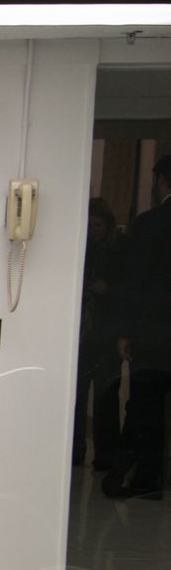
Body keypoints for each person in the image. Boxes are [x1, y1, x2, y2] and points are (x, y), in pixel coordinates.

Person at [103, 155, 171, 500]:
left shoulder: (148, 225)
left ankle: (143, 475)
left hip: (153, 330)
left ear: (161, 181)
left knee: (146, 407)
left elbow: (134, 281)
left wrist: (125, 331)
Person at [72, 197, 123, 467]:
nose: (94, 230)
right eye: (90, 225)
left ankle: (104, 455)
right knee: (79, 396)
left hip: (103, 332)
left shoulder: (116, 253)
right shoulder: (87, 251)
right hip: (85, 332)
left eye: (98, 225)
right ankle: (78, 451)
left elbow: (126, 293)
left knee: (104, 396)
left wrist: (108, 291)